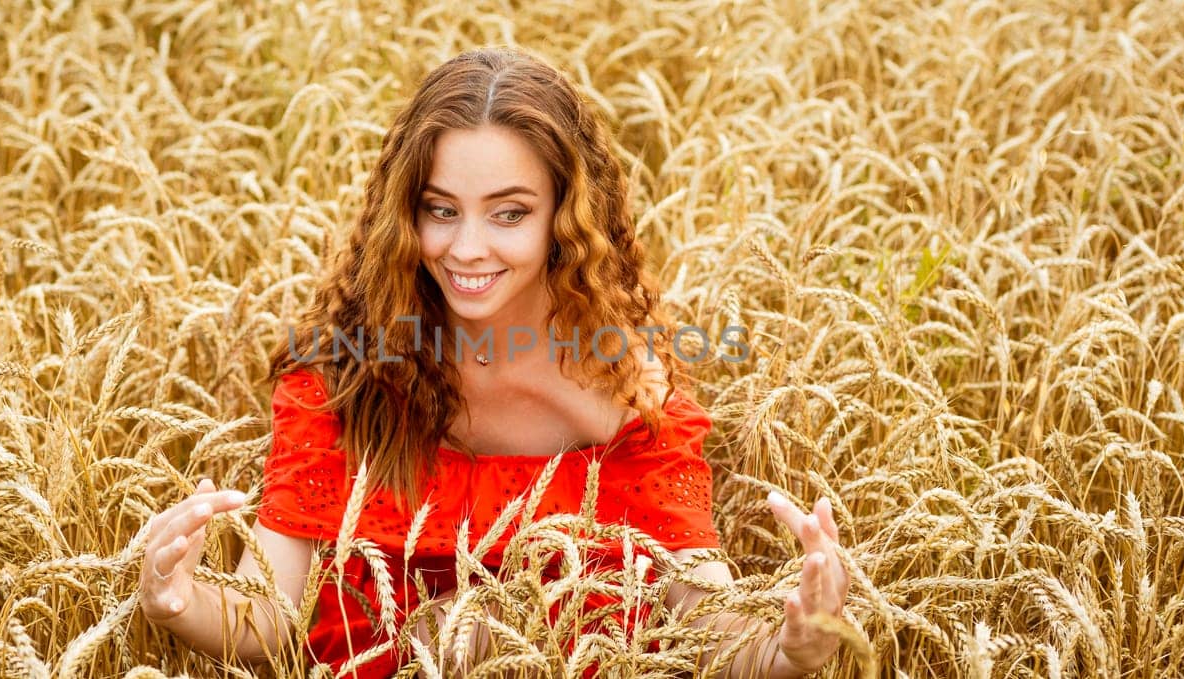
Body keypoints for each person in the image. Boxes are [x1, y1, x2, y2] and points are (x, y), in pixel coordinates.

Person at [137, 46, 849, 678]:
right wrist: (179, 600)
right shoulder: (345, 380)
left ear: (564, 219)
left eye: (508, 213)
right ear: (404, 213)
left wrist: (792, 648)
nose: (467, 247)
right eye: (440, 209)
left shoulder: (629, 395)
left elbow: (708, 625)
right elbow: (268, 618)